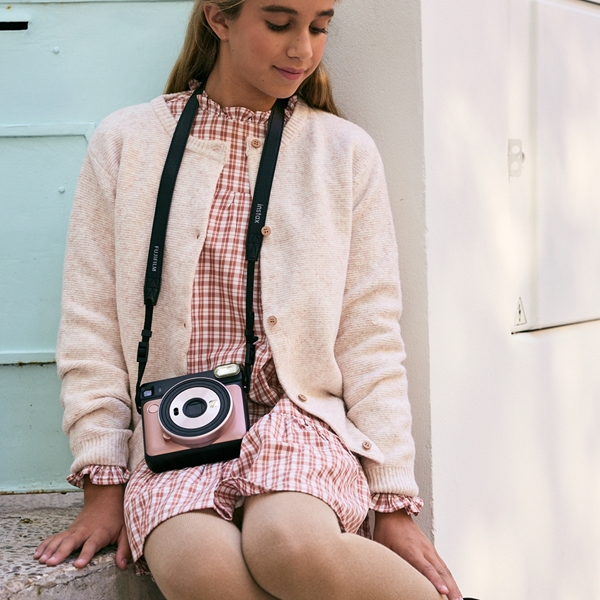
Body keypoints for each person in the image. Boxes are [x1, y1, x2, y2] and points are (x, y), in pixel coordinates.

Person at [34, 1, 463, 598]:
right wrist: (104, 483)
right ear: (219, 18)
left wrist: (391, 499)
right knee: (200, 568)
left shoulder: (342, 152)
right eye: (280, 23)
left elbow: (369, 336)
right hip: (176, 433)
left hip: (300, 421)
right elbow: (92, 324)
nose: (303, 50)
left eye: (319, 27)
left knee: (291, 543)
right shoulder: (127, 143)